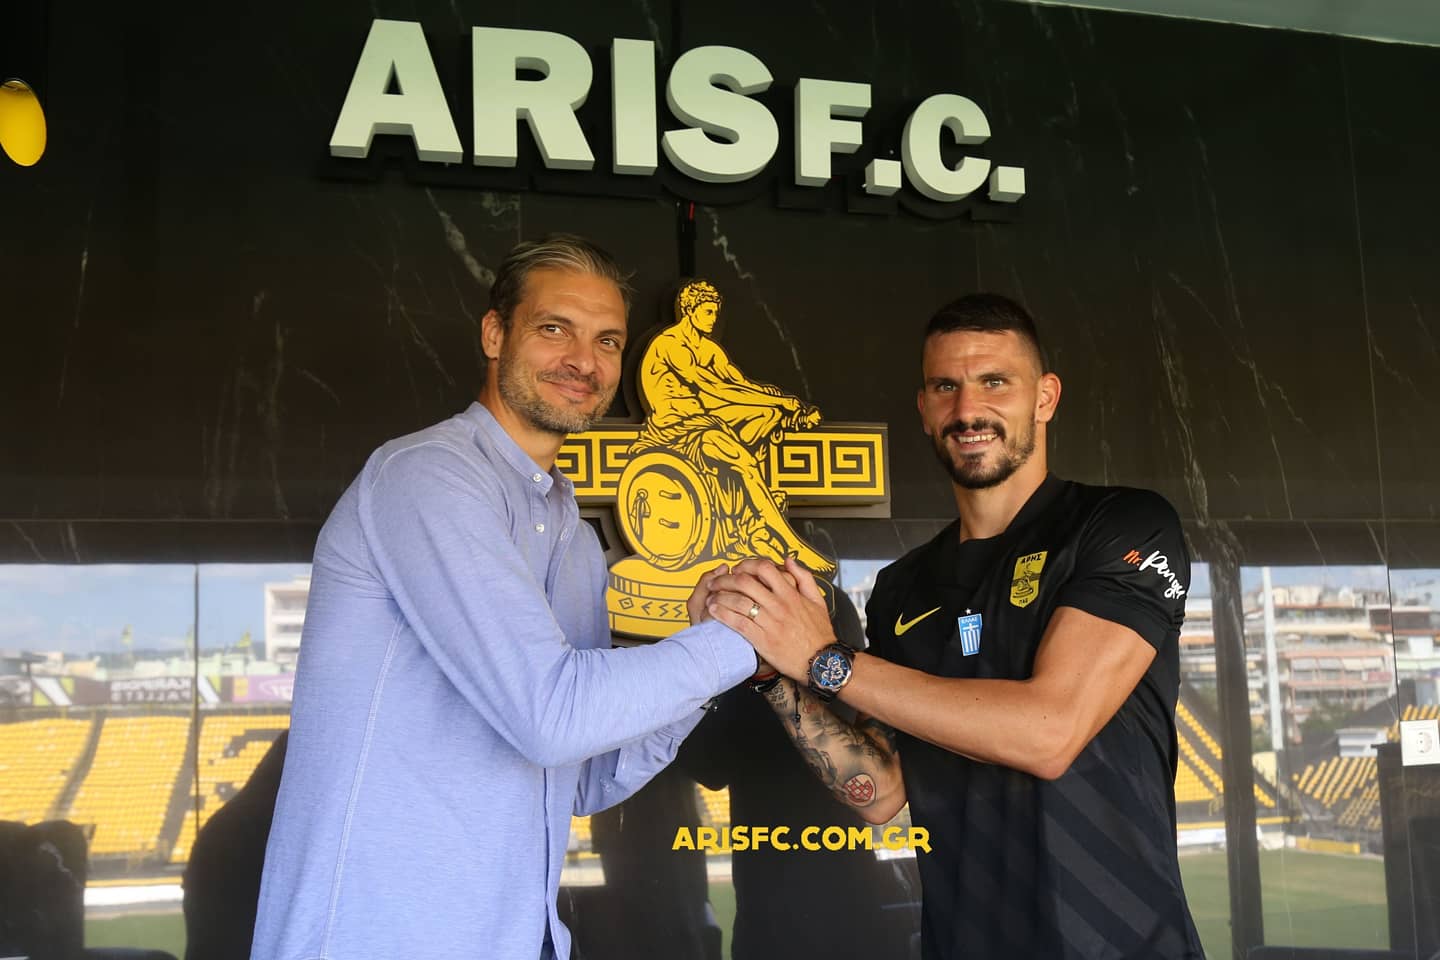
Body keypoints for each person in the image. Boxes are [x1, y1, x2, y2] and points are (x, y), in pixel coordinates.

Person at [250, 235, 760, 960]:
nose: (584, 361)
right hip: (375, 939)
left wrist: (702, 653)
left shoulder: (573, 539)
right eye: (555, 328)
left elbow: (581, 778)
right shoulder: (426, 475)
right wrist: (741, 637)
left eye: (607, 341)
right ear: (495, 334)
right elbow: (551, 715)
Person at [701, 294, 1204, 959]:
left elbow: (1050, 733)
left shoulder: (1121, 525)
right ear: (924, 408)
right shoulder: (903, 587)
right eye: (946, 387)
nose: (968, 409)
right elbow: (879, 791)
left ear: (1045, 397)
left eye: (995, 382)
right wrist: (775, 672)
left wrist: (824, 657)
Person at [630, 279, 831, 574]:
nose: (713, 318)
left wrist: (780, 403)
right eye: (707, 311)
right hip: (676, 430)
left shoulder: (710, 349)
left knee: (765, 416)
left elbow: (740, 384)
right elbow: (715, 389)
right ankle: (790, 543)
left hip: (707, 421)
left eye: (715, 312)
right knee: (743, 460)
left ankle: (751, 522)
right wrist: (782, 402)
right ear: (690, 310)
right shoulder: (670, 344)